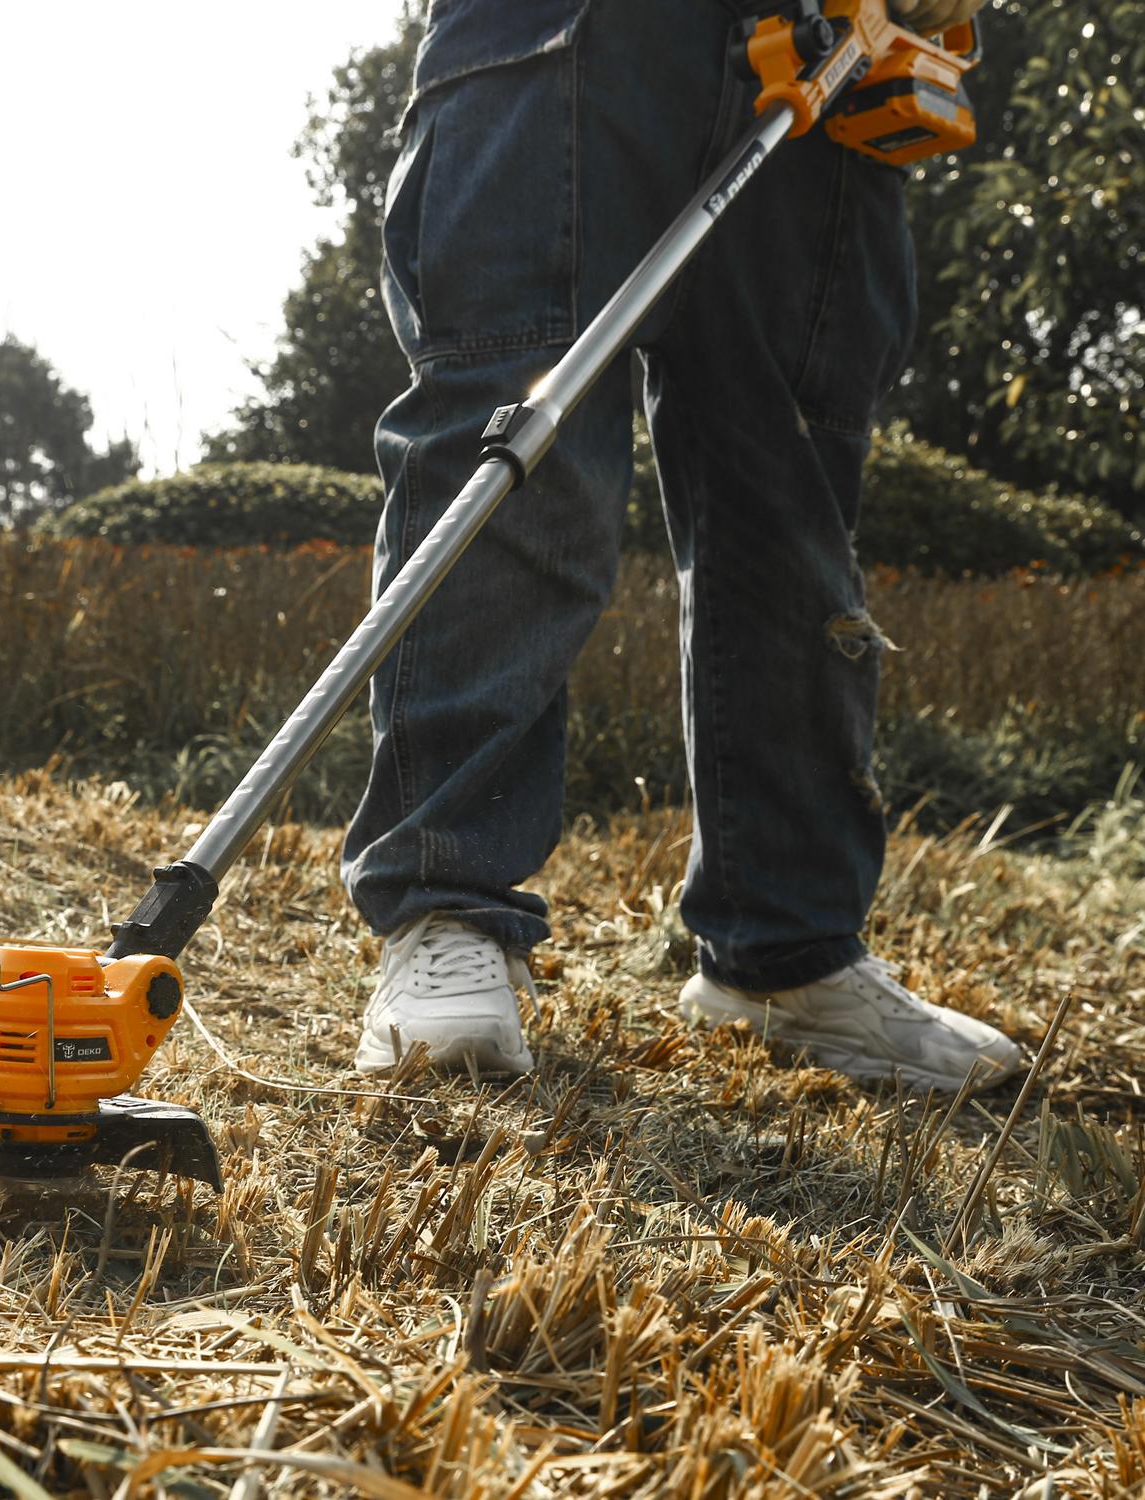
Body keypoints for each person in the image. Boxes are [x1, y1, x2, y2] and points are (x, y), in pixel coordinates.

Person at [340, 0, 1021, 1094]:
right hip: (563, 34)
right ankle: (444, 911)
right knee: (518, 434)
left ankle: (784, 955)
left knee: (793, 502)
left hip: (834, 43)